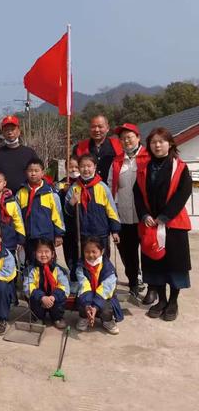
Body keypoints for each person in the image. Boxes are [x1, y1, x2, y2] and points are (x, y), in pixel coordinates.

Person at [133, 127, 192, 321]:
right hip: (150, 225)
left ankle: (173, 302)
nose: (157, 145)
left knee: (174, 265)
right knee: (154, 264)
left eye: (161, 141)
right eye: (153, 142)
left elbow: (183, 193)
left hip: (173, 224)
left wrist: (165, 217)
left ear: (170, 143)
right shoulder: (144, 168)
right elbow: (138, 194)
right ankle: (162, 300)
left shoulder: (180, 167)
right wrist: (143, 215)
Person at [108, 123, 150, 297]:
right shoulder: (117, 161)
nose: (126, 141)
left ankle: (152, 287)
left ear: (138, 138)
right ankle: (133, 282)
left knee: (148, 251)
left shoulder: (149, 157)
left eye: (129, 137)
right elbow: (111, 185)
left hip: (145, 216)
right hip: (123, 215)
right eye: (123, 138)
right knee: (127, 252)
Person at [65, 154, 120, 257]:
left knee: (102, 261)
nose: (86, 169)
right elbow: (67, 212)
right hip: (82, 234)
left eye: (89, 166)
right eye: (82, 166)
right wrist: (72, 203)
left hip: (100, 233)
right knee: (85, 262)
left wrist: (115, 230)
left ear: (94, 167)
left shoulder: (102, 187)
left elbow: (111, 210)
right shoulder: (74, 188)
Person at [16, 157, 65, 262]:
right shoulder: (21, 193)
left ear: (43, 173)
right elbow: (17, 217)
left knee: (48, 262)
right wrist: (20, 236)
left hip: (46, 236)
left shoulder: (50, 193)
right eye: (30, 171)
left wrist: (59, 234)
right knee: (30, 263)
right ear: (26, 173)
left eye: (36, 171)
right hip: (29, 236)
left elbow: (57, 215)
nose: (33, 174)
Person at [76, 237, 123, 335]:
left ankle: (107, 320)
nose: (90, 255)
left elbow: (105, 289)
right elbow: (84, 286)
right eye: (87, 252)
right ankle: (84, 317)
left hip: (103, 296)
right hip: (88, 295)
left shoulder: (108, 268)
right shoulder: (80, 267)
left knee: (106, 308)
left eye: (94, 251)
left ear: (102, 251)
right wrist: (88, 306)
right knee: (82, 301)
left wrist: (95, 307)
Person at [23, 239, 70, 329]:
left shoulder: (58, 269)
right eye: (40, 252)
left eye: (46, 252)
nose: (43, 255)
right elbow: (27, 286)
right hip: (39, 299)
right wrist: (42, 297)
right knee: (32, 296)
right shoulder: (31, 270)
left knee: (60, 296)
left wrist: (53, 297)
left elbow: (65, 287)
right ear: (35, 253)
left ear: (52, 254)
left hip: (53, 298)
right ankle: (38, 318)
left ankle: (57, 318)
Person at [0, 115, 38, 195]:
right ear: (3, 132)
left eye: (12, 129)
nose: (10, 132)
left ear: (19, 131)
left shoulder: (29, 153)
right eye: (6, 130)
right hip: (4, 199)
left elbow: (38, 175)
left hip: (27, 196)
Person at [73, 114, 123, 181]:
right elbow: (74, 169)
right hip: (88, 189)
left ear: (107, 128)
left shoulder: (119, 145)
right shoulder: (79, 148)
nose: (96, 130)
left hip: (112, 188)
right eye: (93, 127)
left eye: (100, 127)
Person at [56, 155, 80, 281]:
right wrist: (63, 191)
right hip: (66, 224)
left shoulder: (83, 183)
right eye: (70, 167)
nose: (74, 169)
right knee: (69, 252)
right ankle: (72, 273)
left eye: (76, 166)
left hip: (81, 226)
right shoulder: (60, 184)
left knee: (80, 252)